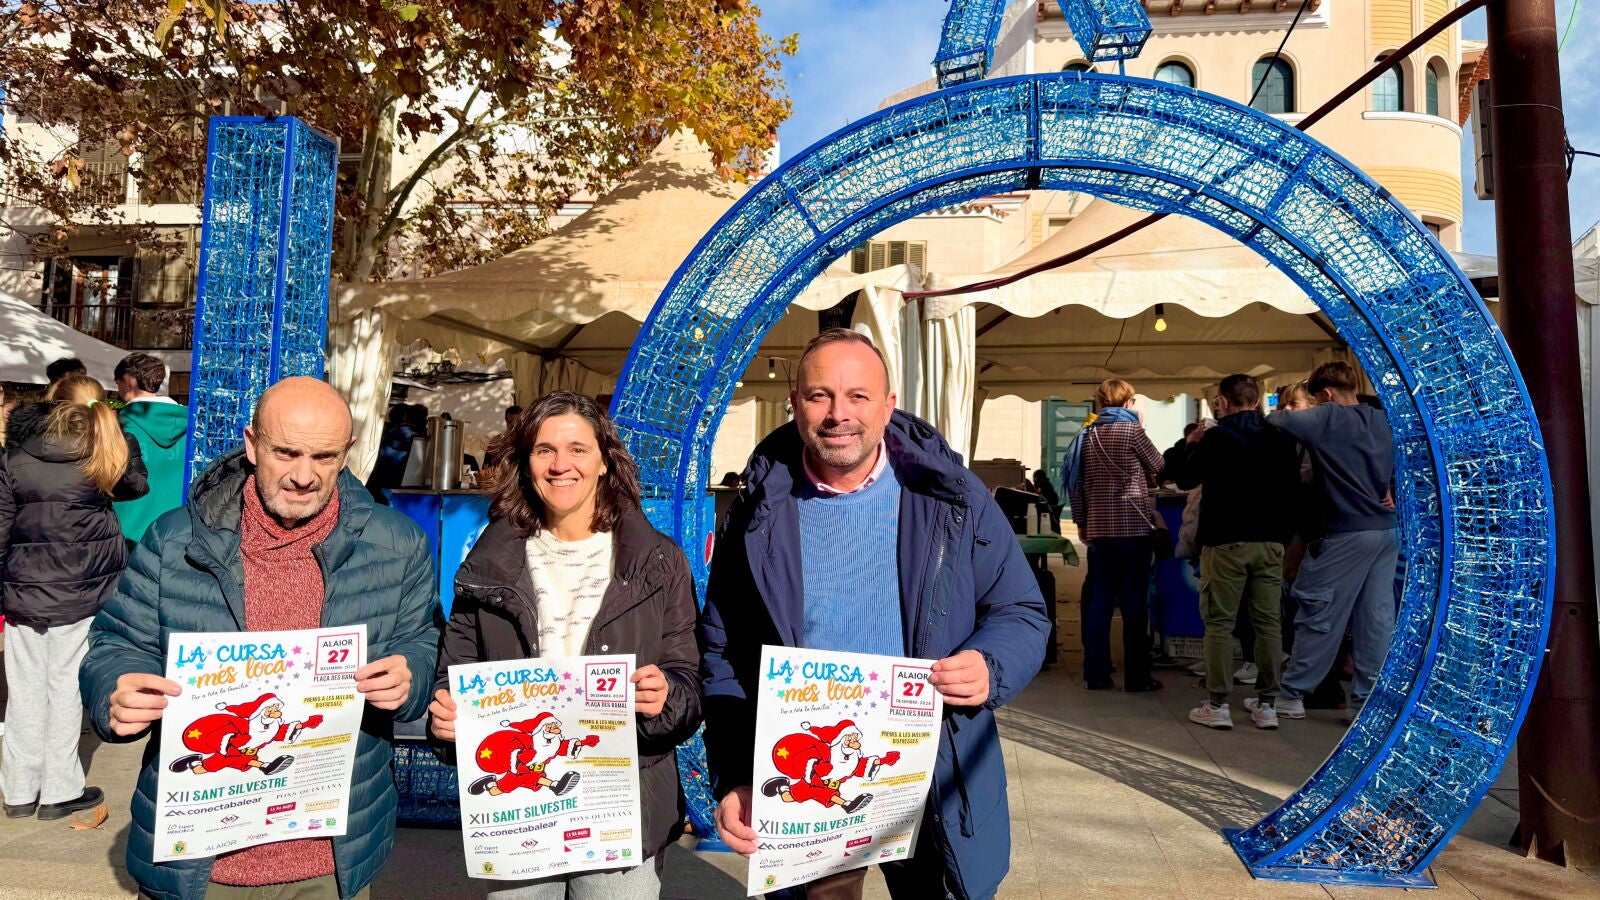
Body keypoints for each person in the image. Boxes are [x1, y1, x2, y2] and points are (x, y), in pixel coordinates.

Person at [702, 329, 1049, 900]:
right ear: (795, 403)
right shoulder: (757, 514)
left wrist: (991, 664)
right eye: (820, 395)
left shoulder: (952, 498)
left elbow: (1020, 609)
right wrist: (739, 772)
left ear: (888, 406)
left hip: (933, 770)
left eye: (858, 396)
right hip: (815, 778)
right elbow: (724, 651)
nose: (839, 414)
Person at [80, 377, 440, 900]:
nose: (303, 476)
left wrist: (410, 675)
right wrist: (116, 689)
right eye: (285, 452)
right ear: (252, 445)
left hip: (327, 860)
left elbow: (422, 639)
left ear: (346, 454)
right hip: (199, 857)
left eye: (324, 456)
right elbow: (117, 643)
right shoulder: (175, 539)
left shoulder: (398, 544)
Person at [429, 390, 701, 898]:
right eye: (544, 450)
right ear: (525, 462)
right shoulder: (486, 564)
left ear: (605, 461)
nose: (560, 465)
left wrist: (665, 697)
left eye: (578, 449)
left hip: (621, 806)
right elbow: (454, 674)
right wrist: (446, 719)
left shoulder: (659, 562)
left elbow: (689, 679)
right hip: (520, 814)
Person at [1, 374, 147, 821]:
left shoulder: (14, 455)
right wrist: (120, 437)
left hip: (24, 590)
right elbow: (135, 486)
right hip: (83, 588)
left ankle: (19, 790)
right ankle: (60, 790)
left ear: (51, 402)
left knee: (24, 692)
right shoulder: (102, 447)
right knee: (65, 689)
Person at [1165, 374, 1300, 731]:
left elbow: (1183, 477)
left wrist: (1187, 444)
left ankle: (1218, 703)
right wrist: (1284, 538)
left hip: (1225, 542)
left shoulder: (1217, 438)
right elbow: (1294, 492)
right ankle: (1267, 704)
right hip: (1270, 543)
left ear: (1223, 402)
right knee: (1268, 623)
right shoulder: (1281, 437)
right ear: (1256, 400)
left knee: (1220, 623)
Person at [1267, 361, 1397, 719]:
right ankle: (1367, 702)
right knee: (1375, 619)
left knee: (1319, 611)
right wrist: (1390, 487)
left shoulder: (1327, 416)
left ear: (1325, 394)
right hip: (1386, 530)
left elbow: (1277, 421)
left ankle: (1292, 694)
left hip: (1346, 531)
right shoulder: (1381, 419)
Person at [1071, 379, 1165, 693]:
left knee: (1100, 600)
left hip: (1100, 528)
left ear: (1099, 402)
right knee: (1134, 604)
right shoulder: (1132, 431)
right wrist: (1141, 426)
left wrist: (1082, 522)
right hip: (1133, 527)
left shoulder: (1087, 435)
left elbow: (1077, 484)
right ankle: (1137, 677)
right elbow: (1158, 464)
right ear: (1127, 402)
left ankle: (1096, 674)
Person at [114, 352, 188, 546]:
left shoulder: (117, 428)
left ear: (127, 382)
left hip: (128, 534)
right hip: (178, 535)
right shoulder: (192, 427)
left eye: (117, 383)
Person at [482, 405, 523, 469]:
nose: (513, 425)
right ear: (506, 422)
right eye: (510, 422)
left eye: (517, 422)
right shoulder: (496, 442)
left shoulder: (527, 441)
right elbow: (486, 467)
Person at [1030, 468, 1062, 533]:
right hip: (1051, 511)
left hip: (1047, 513)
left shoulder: (1042, 485)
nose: (1033, 480)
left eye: (1034, 478)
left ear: (1036, 478)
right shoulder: (1048, 484)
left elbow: (1041, 499)